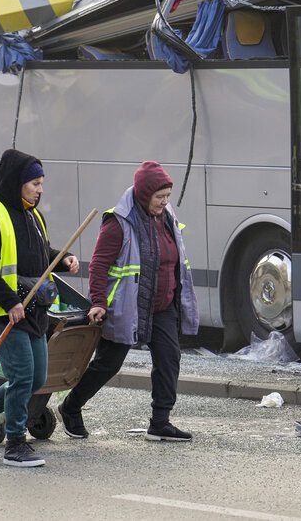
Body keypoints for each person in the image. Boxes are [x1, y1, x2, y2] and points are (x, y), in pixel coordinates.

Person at [57, 161, 198, 442]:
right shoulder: (119, 222)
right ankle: (70, 407)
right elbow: (98, 265)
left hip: (162, 306)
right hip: (127, 307)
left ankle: (160, 422)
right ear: (145, 195)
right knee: (109, 364)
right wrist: (98, 301)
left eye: (168, 196)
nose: (165, 202)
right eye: (160, 197)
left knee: (169, 359)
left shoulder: (166, 216)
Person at [0, 149, 79, 468]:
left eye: (42, 183)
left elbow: (40, 253)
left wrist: (63, 257)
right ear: (17, 183)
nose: (39, 189)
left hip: (35, 309)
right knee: (21, 377)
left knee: (36, 377)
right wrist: (10, 301)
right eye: (34, 183)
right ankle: (15, 442)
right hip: (6, 312)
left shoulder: (35, 216)